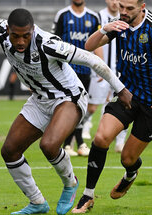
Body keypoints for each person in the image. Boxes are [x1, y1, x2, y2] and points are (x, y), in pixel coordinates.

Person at [0, 1, 132, 214]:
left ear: (33, 30)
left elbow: (93, 61)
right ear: (7, 30)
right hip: (39, 99)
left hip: (69, 97)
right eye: (16, 35)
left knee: (49, 145)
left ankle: (70, 183)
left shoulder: (49, 43)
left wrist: (121, 90)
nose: (20, 41)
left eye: (26, 35)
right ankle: (37, 202)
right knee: (9, 150)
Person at [72, 0, 152, 213]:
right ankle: (87, 195)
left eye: (129, 8)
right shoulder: (119, 24)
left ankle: (131, 174)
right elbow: (88, 46)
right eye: (121, 7)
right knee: (101, 138)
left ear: (142, 7)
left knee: (128, 158)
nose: (123, 12)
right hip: (127, 95)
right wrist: (104, 28)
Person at [52, 0, 101, 157]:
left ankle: (69, 144)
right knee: (68, 106)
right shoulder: (63, 15)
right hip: (65, 70)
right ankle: (77, 143)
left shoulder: (93, 17)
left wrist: (100, 67)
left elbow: (98, 43)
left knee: (80, 107)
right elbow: (53, 41)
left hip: (85, 71)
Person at [84, 0, 128, 153]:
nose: (115, 2)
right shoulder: (99, 16)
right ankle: (85, 123)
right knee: (92, 106)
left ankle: (120, 141)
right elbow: (96, 43)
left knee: (123, 104)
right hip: (102, 69)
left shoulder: (127, 18)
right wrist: (101, 67)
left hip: (120, 71)